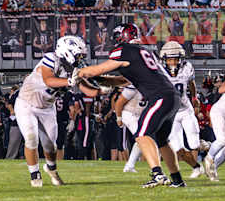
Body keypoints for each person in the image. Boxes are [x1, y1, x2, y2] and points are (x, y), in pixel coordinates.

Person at [76, 24, 185, 188]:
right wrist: (102, 79)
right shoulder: (142, 51)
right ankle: (177, 180)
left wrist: (79, 72)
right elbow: (125, 81)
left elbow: (94, 70)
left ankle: (157, 174)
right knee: (162, 140)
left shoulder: (124, 50)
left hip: (160, 97)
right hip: (172, 97)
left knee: (142, 133)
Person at [16, 36, 106, 187]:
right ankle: (35, 176)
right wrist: (69, 81)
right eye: (79, 55)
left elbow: (87, 90)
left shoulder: (72, 69)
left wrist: (101, 91)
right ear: (67, 51)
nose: (80, 59)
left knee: (51, 146)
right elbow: (48, 80)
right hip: (26, 104)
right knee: (31, 138)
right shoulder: (51, 58)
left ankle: (52, 170)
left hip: (47, 108)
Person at [160, 41, 204, 180]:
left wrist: (194, 97)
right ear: (164, 59)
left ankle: (205, 146)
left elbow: (191, 83)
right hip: (170, 114)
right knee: (178, 149)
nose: (172, 62)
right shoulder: (159, 70)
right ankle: (197, 167)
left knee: (193, 144)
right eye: (170, 59)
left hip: (185, 111)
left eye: (175, 58)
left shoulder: (187, 68)